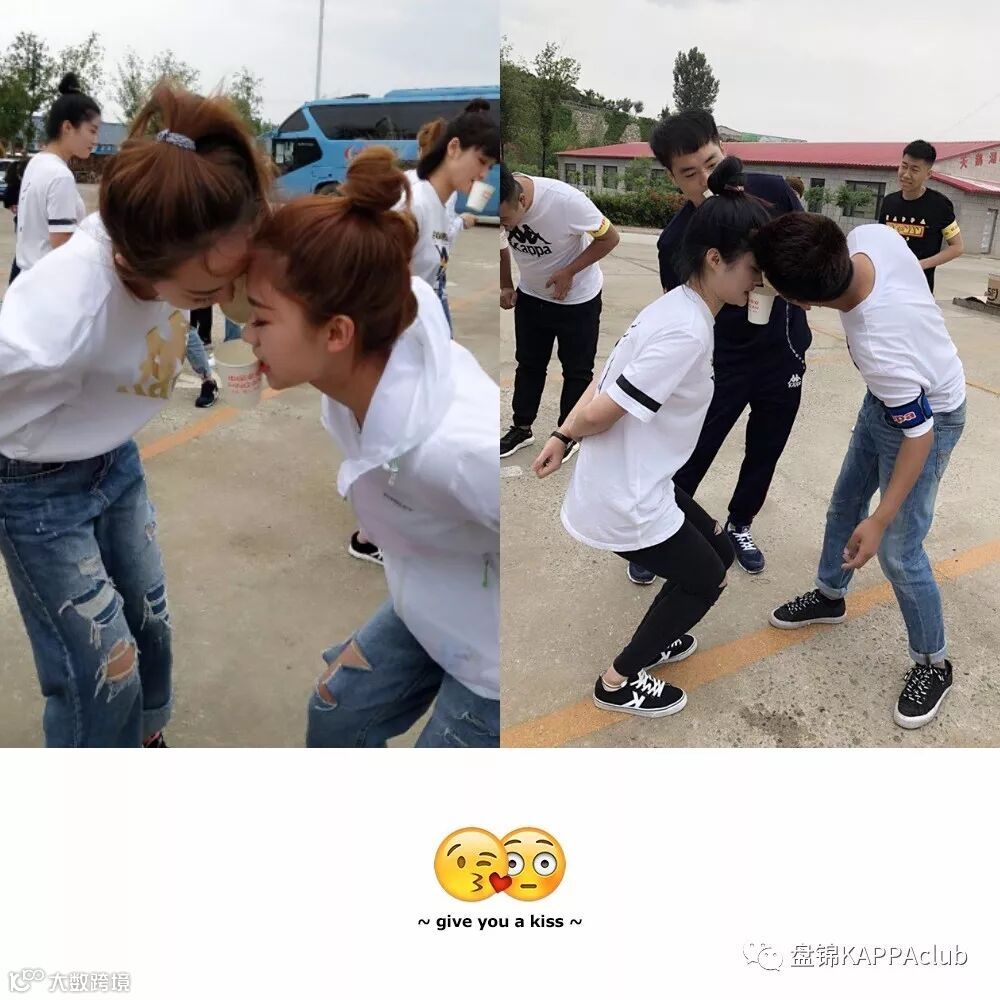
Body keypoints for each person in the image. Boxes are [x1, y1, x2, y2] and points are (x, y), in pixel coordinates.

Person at [0, 85, 272, 747]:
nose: (223, 297)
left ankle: (144, 737)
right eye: (206, 290)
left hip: (116, 461)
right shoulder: (61, 320)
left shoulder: (171, 226)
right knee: (102, 668)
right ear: (136, 262)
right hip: (38, 491)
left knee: (150, 620)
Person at [244, 147, 499, 747]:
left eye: (259, 319)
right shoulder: (360, 370)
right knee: (335, 714)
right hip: (428, 599)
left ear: (337, 332)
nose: (247, 336)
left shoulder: (456, 451)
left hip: (492, 655)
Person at [532, 157, 773, 719]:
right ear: (715, 259)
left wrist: (564, 435)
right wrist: (566, 433)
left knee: (717, 550)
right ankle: (618, 681)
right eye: (752, 269)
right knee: (708, 579)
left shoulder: (676, 305)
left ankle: (660, 635)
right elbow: (606, 407)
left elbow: (605, 373)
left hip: (644, 478)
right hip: (626, 495)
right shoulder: (686, 331)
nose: (758, 281)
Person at [752, 212, 966, 730]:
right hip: (887, 401)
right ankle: (831, 596)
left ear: (802, 302)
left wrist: (880, 519)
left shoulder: (878, 344)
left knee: (898, 550)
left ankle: (934, 663)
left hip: (931, 416)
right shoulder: (871, 238)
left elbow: (920, 436)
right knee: (844, 505)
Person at [633, 111, 811, 584]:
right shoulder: (677, 241)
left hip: (783, 350)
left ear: (724, 150)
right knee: (691, 451)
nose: (706, 181)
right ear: (672, 179)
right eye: (689, 173)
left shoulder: (773, 192)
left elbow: (807, 249)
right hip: (722, 361)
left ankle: (740, 523)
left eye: (712, 164)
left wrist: (795, 285)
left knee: (766, 448)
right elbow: (681, 315)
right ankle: (659, 530)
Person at [499, 163, 620, 462]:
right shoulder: (494, 199)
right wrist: (505, 284)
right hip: (531, 296)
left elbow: (610, 238)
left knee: (577, 370)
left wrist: (569, 271)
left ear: (522, 200)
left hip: (578, 300)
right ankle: (521, 428)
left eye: (505, 220)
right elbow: (499, 242)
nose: (503, 227)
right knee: (528, 364)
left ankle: (568, 433)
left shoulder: (566, 201)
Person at [403, 100, 500, 327]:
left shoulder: (440, 204)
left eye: (489, 167)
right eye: (481, 161)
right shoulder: (414, 204)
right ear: (453, 147)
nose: (484, 175)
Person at [14, 73, 99, 275]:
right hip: (49, 279)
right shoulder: (60, 176)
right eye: (92, 131)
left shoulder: (37, 162)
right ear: (68, 127)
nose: (96, 140)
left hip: (27, 275)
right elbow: (62, 244)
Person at [880, 140, 963, 294]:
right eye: (904, 166)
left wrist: (920, 265)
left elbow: (957, 247)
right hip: (887, 286)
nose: (906, 174)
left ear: (928, 174)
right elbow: (881, 242)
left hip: (919, 291)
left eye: (914, 169)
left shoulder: (940, 205)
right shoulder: (888, 202)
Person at [3, 156, 27, 285]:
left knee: (21, 252)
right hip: (23, 222)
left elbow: (6, 201)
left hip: (20, 221)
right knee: (22, 254)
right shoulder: (20, 185)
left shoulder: (15, 183)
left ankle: (13, 284)